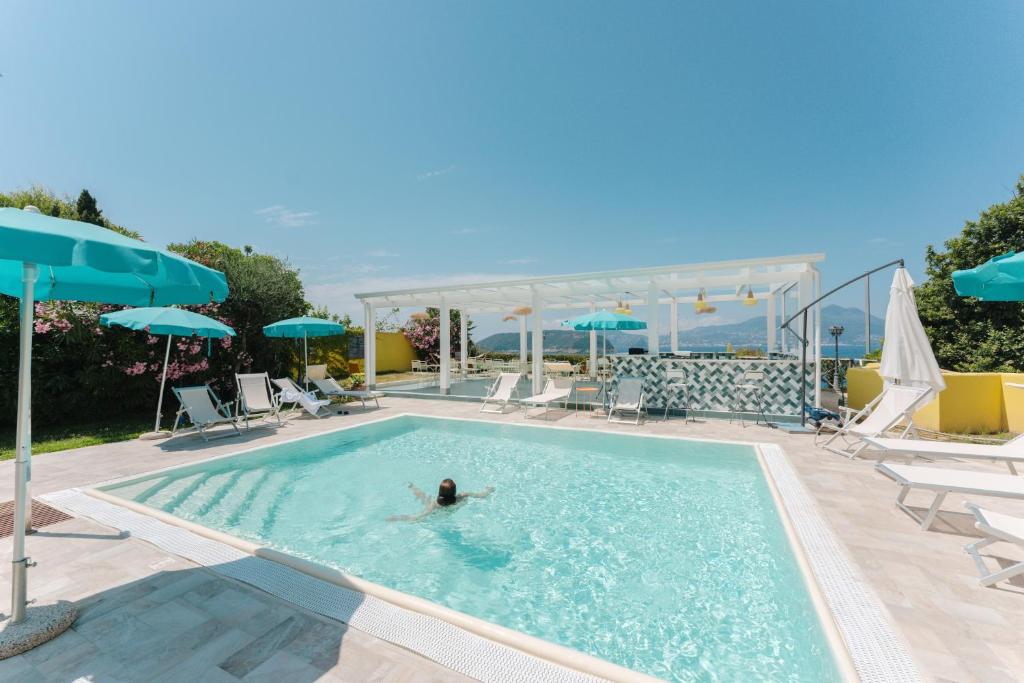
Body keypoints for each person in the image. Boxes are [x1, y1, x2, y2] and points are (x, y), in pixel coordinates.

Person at [387, 478, 494, 522]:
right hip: (448, 513)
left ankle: (411, 486)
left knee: (422, 497)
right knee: (423, 497)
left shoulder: (434, 505)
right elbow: (481, 495)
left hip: (436, 513)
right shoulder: (463, 496)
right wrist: (489, 490)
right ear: (455, 490)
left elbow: (415, 517)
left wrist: (396, 517)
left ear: (440, 492)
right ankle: (411, 487)